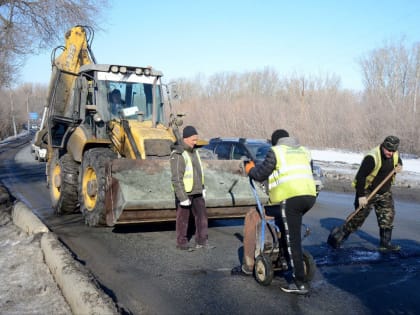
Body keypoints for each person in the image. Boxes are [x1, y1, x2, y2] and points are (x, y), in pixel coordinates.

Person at [233, 129, 316, 295]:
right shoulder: (304, 151)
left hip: (289, 200)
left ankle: (299, 283)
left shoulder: (276, 151)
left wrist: (249, 168)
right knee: (289, 230)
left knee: (292, 240)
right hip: (309, 197)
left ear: (275, 141)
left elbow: (260, 174)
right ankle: (286, 259)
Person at [327, 135, 403, 251]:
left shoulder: (394, 154)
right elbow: (360, 177)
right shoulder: (372, 158)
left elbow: (398, 160)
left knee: (388, 217)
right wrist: (361, 196)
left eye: (393, 151)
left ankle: (385, 244)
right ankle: (338, 238)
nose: (391, 153)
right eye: (388, 150)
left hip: (384, 192)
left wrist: (399, 165)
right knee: (358, 218)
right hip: (368, 191)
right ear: (383, 146)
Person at [170, 126, 213, 251]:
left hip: (197, 190)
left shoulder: (195, 152)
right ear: (186, 138)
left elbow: (199, 172)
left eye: (196, 139)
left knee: (202, 217)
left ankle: (202, 241)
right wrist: (182, 197)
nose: (195, 142)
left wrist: (202, 188)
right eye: (193, 140)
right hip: (186, 192)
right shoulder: (178, 154)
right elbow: (176, 178)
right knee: (183, 219)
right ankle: (181, 243)